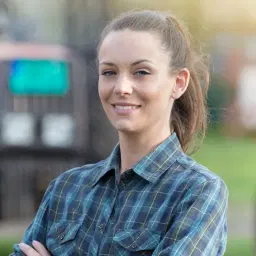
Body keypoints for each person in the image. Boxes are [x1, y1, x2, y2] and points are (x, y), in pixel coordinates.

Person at [11, 10, 228, 256]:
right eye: (109, 72)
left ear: (178, 83)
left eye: (141, 72)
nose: (122, 87)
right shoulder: (66, 188)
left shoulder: (198, 192)